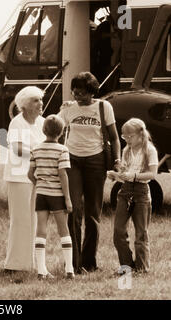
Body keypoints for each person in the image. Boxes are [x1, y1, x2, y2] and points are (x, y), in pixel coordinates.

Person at [58, 71, 121, 274]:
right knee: (73, 210)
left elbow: (114, 137)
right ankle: (74, 263)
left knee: (93, 214)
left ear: (92, 91)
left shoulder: (104, 107)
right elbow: (53, 127)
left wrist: (117, 160)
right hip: (72, 160)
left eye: (82, 93)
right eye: (75, 92)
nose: (78, 96)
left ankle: (89, 262)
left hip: (96, 161)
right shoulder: (68, 109)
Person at [3, 86, 46, 272]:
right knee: (20, 220)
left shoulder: (43, 123)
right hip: (18, 177)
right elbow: (17, 148)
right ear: (24, 105)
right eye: (35, 100)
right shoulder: (17, 123)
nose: (40, 104)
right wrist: (40, 153)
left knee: (36, 220)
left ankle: (32, 263)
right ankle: (14, 264)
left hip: (38, 176)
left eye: (40, 99)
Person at [28, 115, 74, 280]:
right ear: (61, 133)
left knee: (41, 230)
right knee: (64, 230)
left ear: (43, 130)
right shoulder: (62, 150)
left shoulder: (36, 149)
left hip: (41, 194)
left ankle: (41, 270)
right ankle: (69, 269)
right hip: (57, 195)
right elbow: (63, 175)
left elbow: (30, 174)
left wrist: (39, 183)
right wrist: (67, 198)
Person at [110, 118, 158, 274]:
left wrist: (133, 175)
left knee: (141, 233)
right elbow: (125, 174)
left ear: (141, 134)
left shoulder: (149, 150)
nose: (127, 140)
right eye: (125, 137)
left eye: (130, 136)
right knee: (118, 232)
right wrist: (116, 175)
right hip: (125, 191)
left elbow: (152, 174)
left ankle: (142, 268)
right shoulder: (126, 150)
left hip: (141, 191)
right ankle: (127, 265)